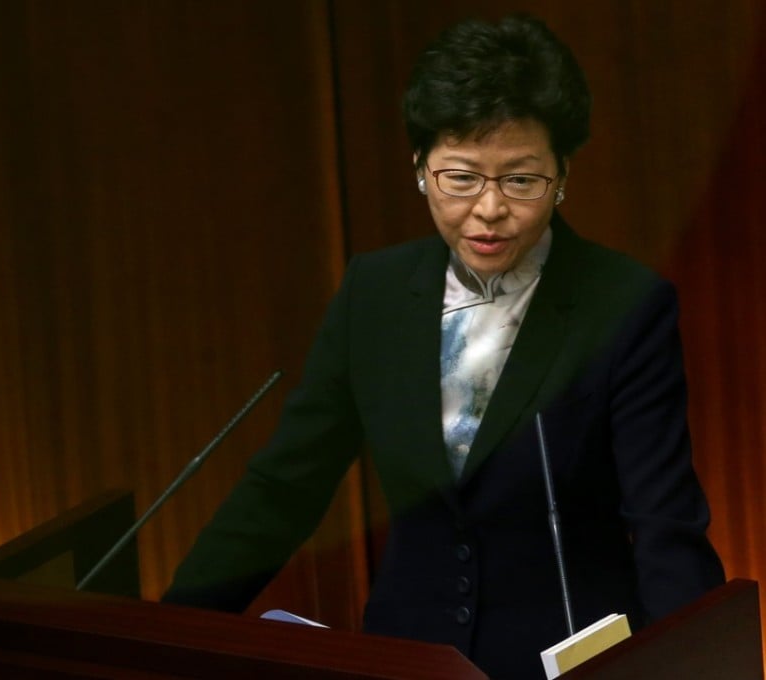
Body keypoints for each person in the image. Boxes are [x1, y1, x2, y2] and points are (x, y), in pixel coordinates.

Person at [162, 13, 724, 679]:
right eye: (461, 177)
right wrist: (166, 633)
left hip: (566, 664)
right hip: (409, 657)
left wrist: (695, 666)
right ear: (421, 170)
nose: (489, 209)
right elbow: (284, 490)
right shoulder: (374, 293)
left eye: (521, 179)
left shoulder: (624, 305)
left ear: (563, 173)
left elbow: (664, 526)